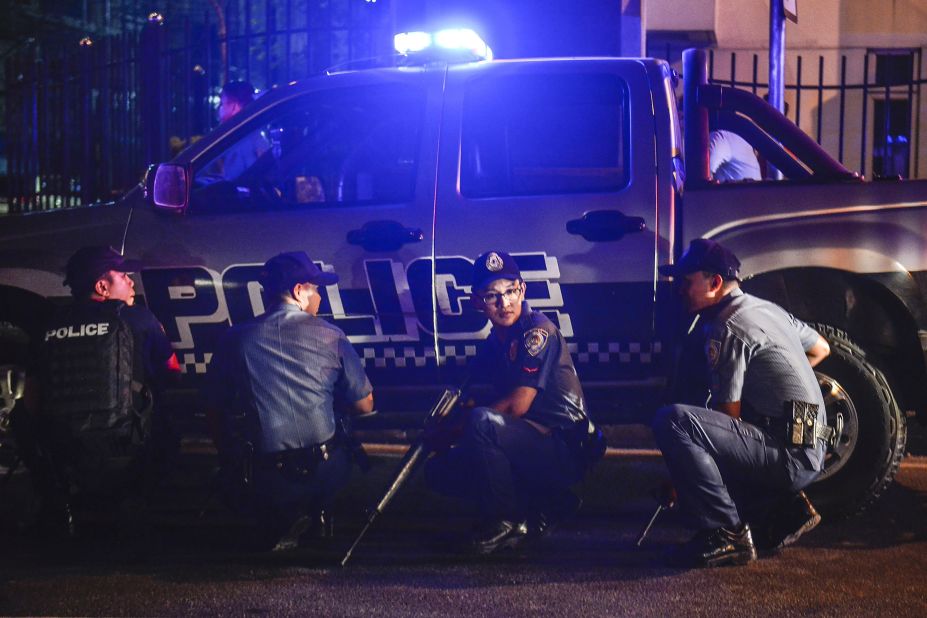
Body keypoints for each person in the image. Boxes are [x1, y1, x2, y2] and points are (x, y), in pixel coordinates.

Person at [653, 238, 832, 568]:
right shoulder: (765, 308)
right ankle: (779, 510)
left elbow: (728, 421)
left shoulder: (727, 326)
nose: (679, 289)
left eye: (686, 281)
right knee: (720, 424)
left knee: (674, 421)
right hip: (810, 444)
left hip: (790, 457)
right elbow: (822, 348)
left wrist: (682, 478)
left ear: (715, 282)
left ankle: (726, 535)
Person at [424, 250, 604, 555]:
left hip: (565, 446)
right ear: (477, 302)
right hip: (533, 441)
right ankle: (545, 501)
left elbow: (515, 407)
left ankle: (506, 520)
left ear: (522, 289)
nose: (504, 303)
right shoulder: (497, 341)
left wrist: (457, 429)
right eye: (492, 295)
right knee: (440, 471)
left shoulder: (537, 332)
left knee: (481, 423)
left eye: (510, 291)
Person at [205, 251, 373, 551]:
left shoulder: (234, 339)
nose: (319, 296)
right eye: (316, 288)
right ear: (299, 291)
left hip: (264, 477)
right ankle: (317, 508)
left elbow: (216, 408)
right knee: (342, 430)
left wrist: (229, 459)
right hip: (326, 471)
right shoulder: (331, 335)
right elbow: (364, 405)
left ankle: (282, 514)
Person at [12, 246, 181, 534]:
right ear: (102, 286)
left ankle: (55, 502)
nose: (131, 281)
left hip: (64, 451)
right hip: (128, 449)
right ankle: (143, 497)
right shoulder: (139, 318)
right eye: (123, 275)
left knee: (20, 417)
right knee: (165, 406)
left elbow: (31, 401)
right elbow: (172, 373)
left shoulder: (47, 326)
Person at [200, 80, 269, 182]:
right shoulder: (248, 134)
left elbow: (235, 180)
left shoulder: (239, 140)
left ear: (235, 106)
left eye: (222, 103)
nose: (220, 109)